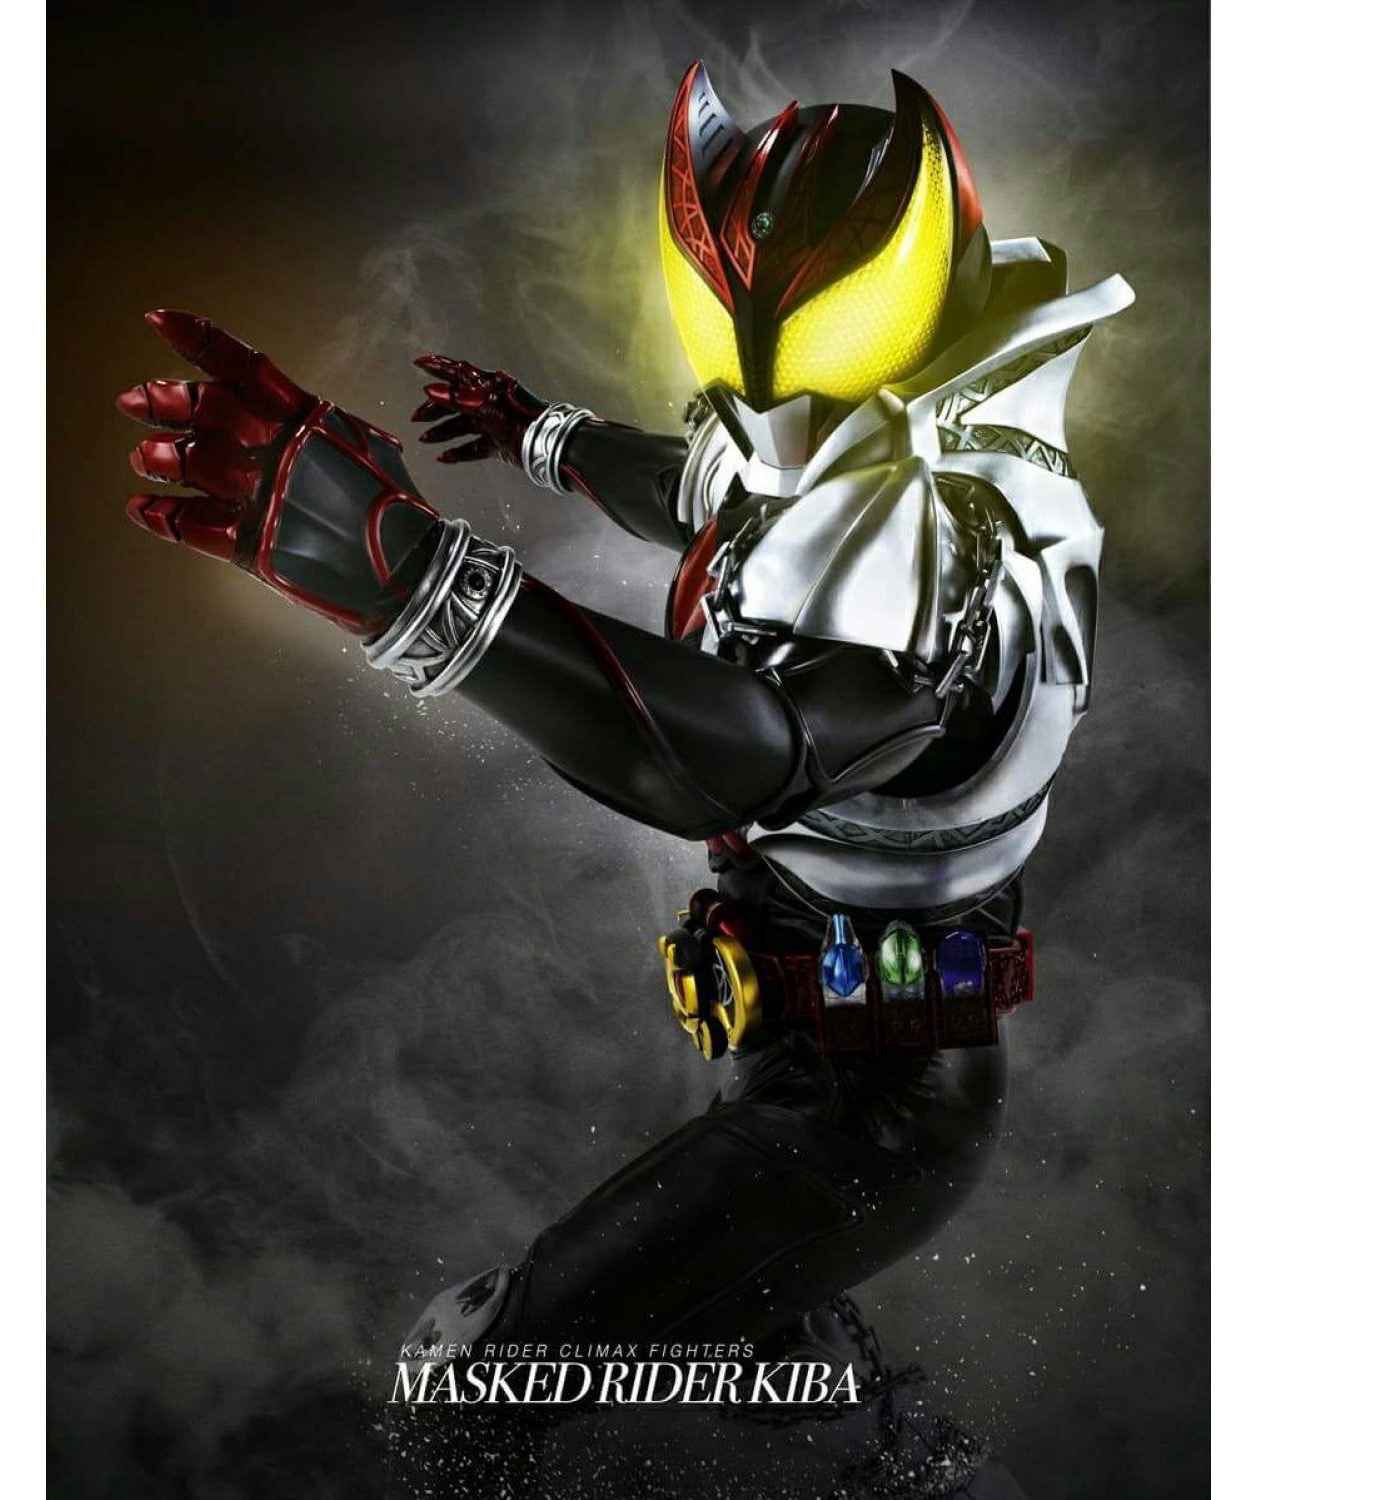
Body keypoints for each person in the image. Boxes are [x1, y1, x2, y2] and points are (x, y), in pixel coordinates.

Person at [116, 62, 1132, 1494]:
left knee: (472, 1383)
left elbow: (741, 756)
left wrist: (412, 576)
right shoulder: (849, 448)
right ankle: (888, 1448)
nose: (772, 378)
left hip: (876, 1107)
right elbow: (717, 489)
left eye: (826, 321)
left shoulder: (954, 536)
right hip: (806, 1052)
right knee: (755, 1353)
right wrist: (539, 434)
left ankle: (884, 1445)